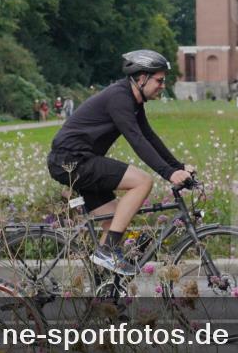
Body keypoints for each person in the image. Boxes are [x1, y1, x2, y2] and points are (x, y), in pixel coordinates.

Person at [46, 50, 194, 275]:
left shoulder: (133, 101)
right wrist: (168, 173)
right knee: (143, 181)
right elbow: (136, 139)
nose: (163, 86)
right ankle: (107, 252)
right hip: (72, 161)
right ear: (142, 78)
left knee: (115, 220)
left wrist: (178, 167)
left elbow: (149, 137)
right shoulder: (119, 97)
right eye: (160, 80)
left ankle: (104, 289)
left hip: (81, 161)